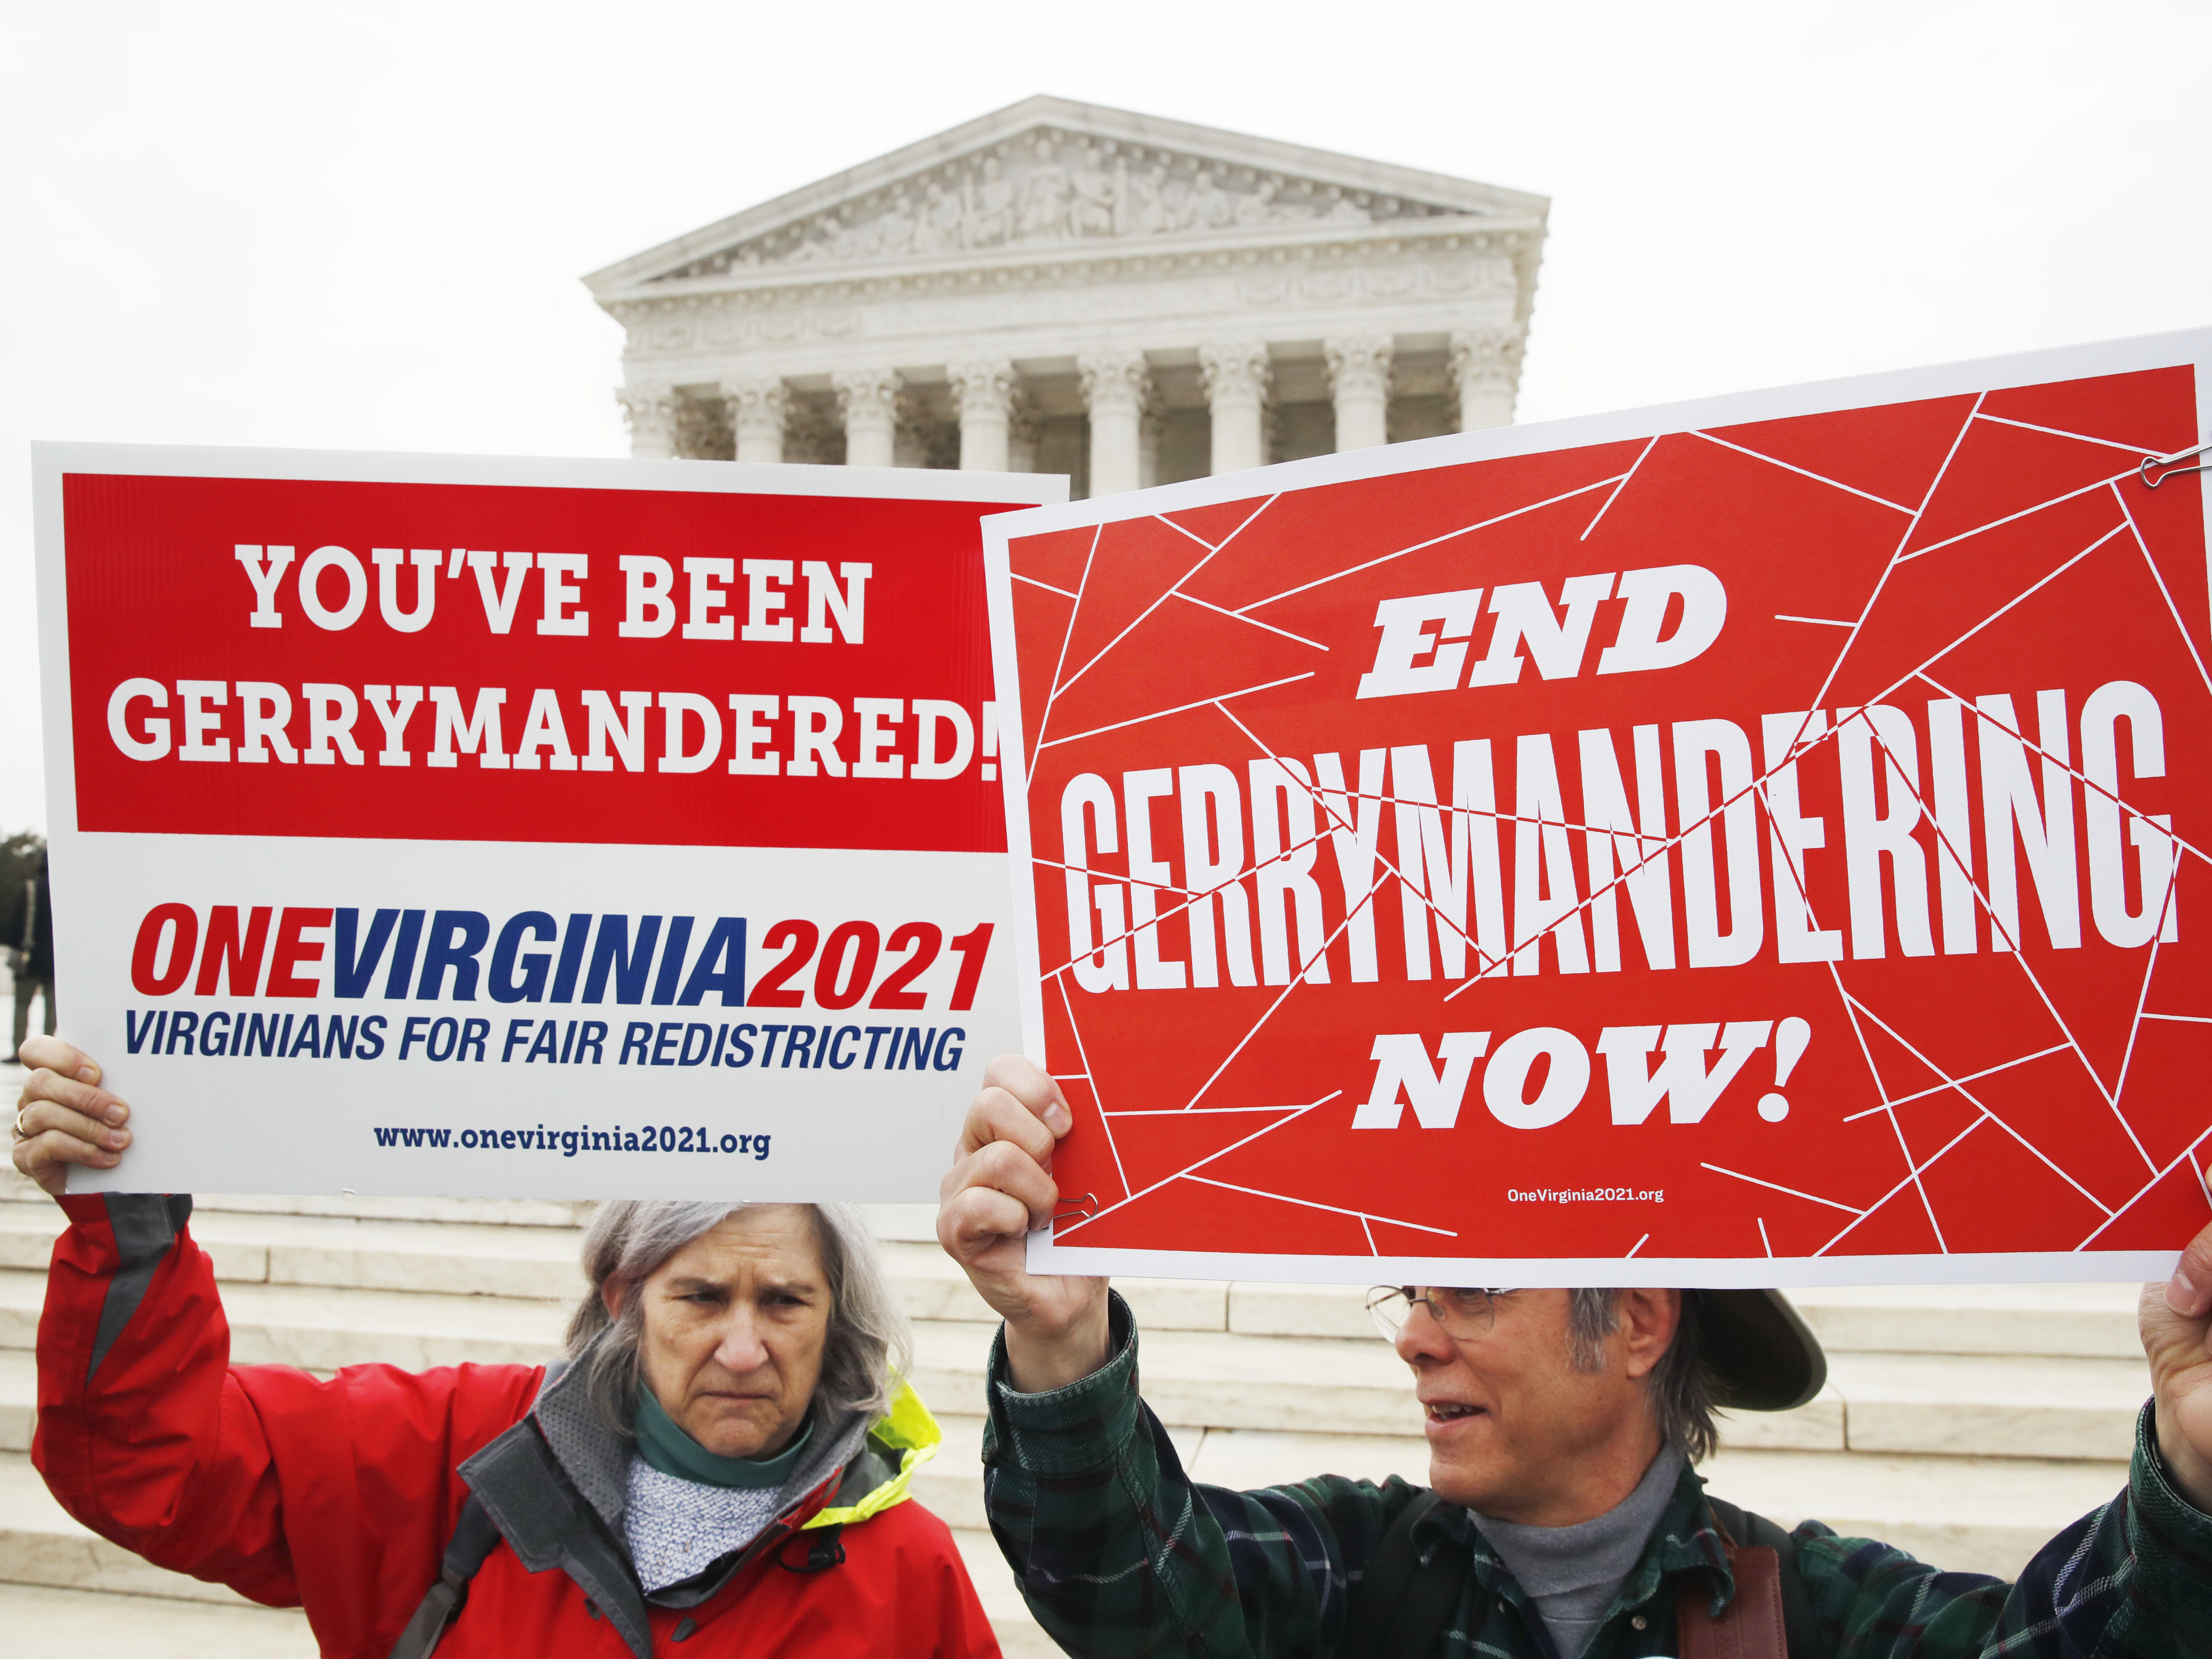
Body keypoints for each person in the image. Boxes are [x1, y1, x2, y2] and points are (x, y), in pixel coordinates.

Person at [939, 1054, 2212, 1659]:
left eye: (1476, 1288)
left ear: (1641, 1321)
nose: (1414, 1333)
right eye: (1414, 1287)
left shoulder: (1814, 1615)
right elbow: (1125, 1585)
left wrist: (2195, 1470)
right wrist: (1057, 1334)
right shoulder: (1344, 1575)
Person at [12, 1034, 1002, 1659]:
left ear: (837, 1316)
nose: (741, 1349)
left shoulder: (905, 1569)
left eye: (785, 1301)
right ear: (623, 1296)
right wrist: (130, 1229)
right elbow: (156, 1474)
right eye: (699, 1296)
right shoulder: (457, 1455)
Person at [2, 849, 55, 1062]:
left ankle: (20, 1051)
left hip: (29, 959)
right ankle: (50, 1053)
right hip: (55, 963)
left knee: (22, 1005)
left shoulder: (30, 889)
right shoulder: (67, 891)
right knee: (52, 1008)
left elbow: (16, 925)